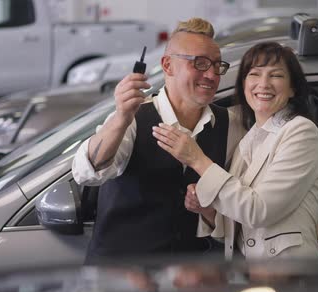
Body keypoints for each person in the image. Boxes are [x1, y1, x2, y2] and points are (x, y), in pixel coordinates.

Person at [72, 18, 246, 262]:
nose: (211, 75)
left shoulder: (231, 124)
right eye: (200, 63)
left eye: (217, 65)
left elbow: (245, 204)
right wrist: (121, 116)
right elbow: (87, 173)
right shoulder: (132, 118)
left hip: (190, 282)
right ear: (168, 65)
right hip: (120, 282)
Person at [153, 42, 318, 260]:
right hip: (252, 276)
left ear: (293, 88)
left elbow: (258, 211)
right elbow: (240, 219)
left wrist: (196, 159)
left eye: (276, 76)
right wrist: (207, 211)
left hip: (288, 275)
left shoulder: (301, 131)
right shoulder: (250, 136)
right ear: (243, 84)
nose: (264, 84)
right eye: (254, 74)